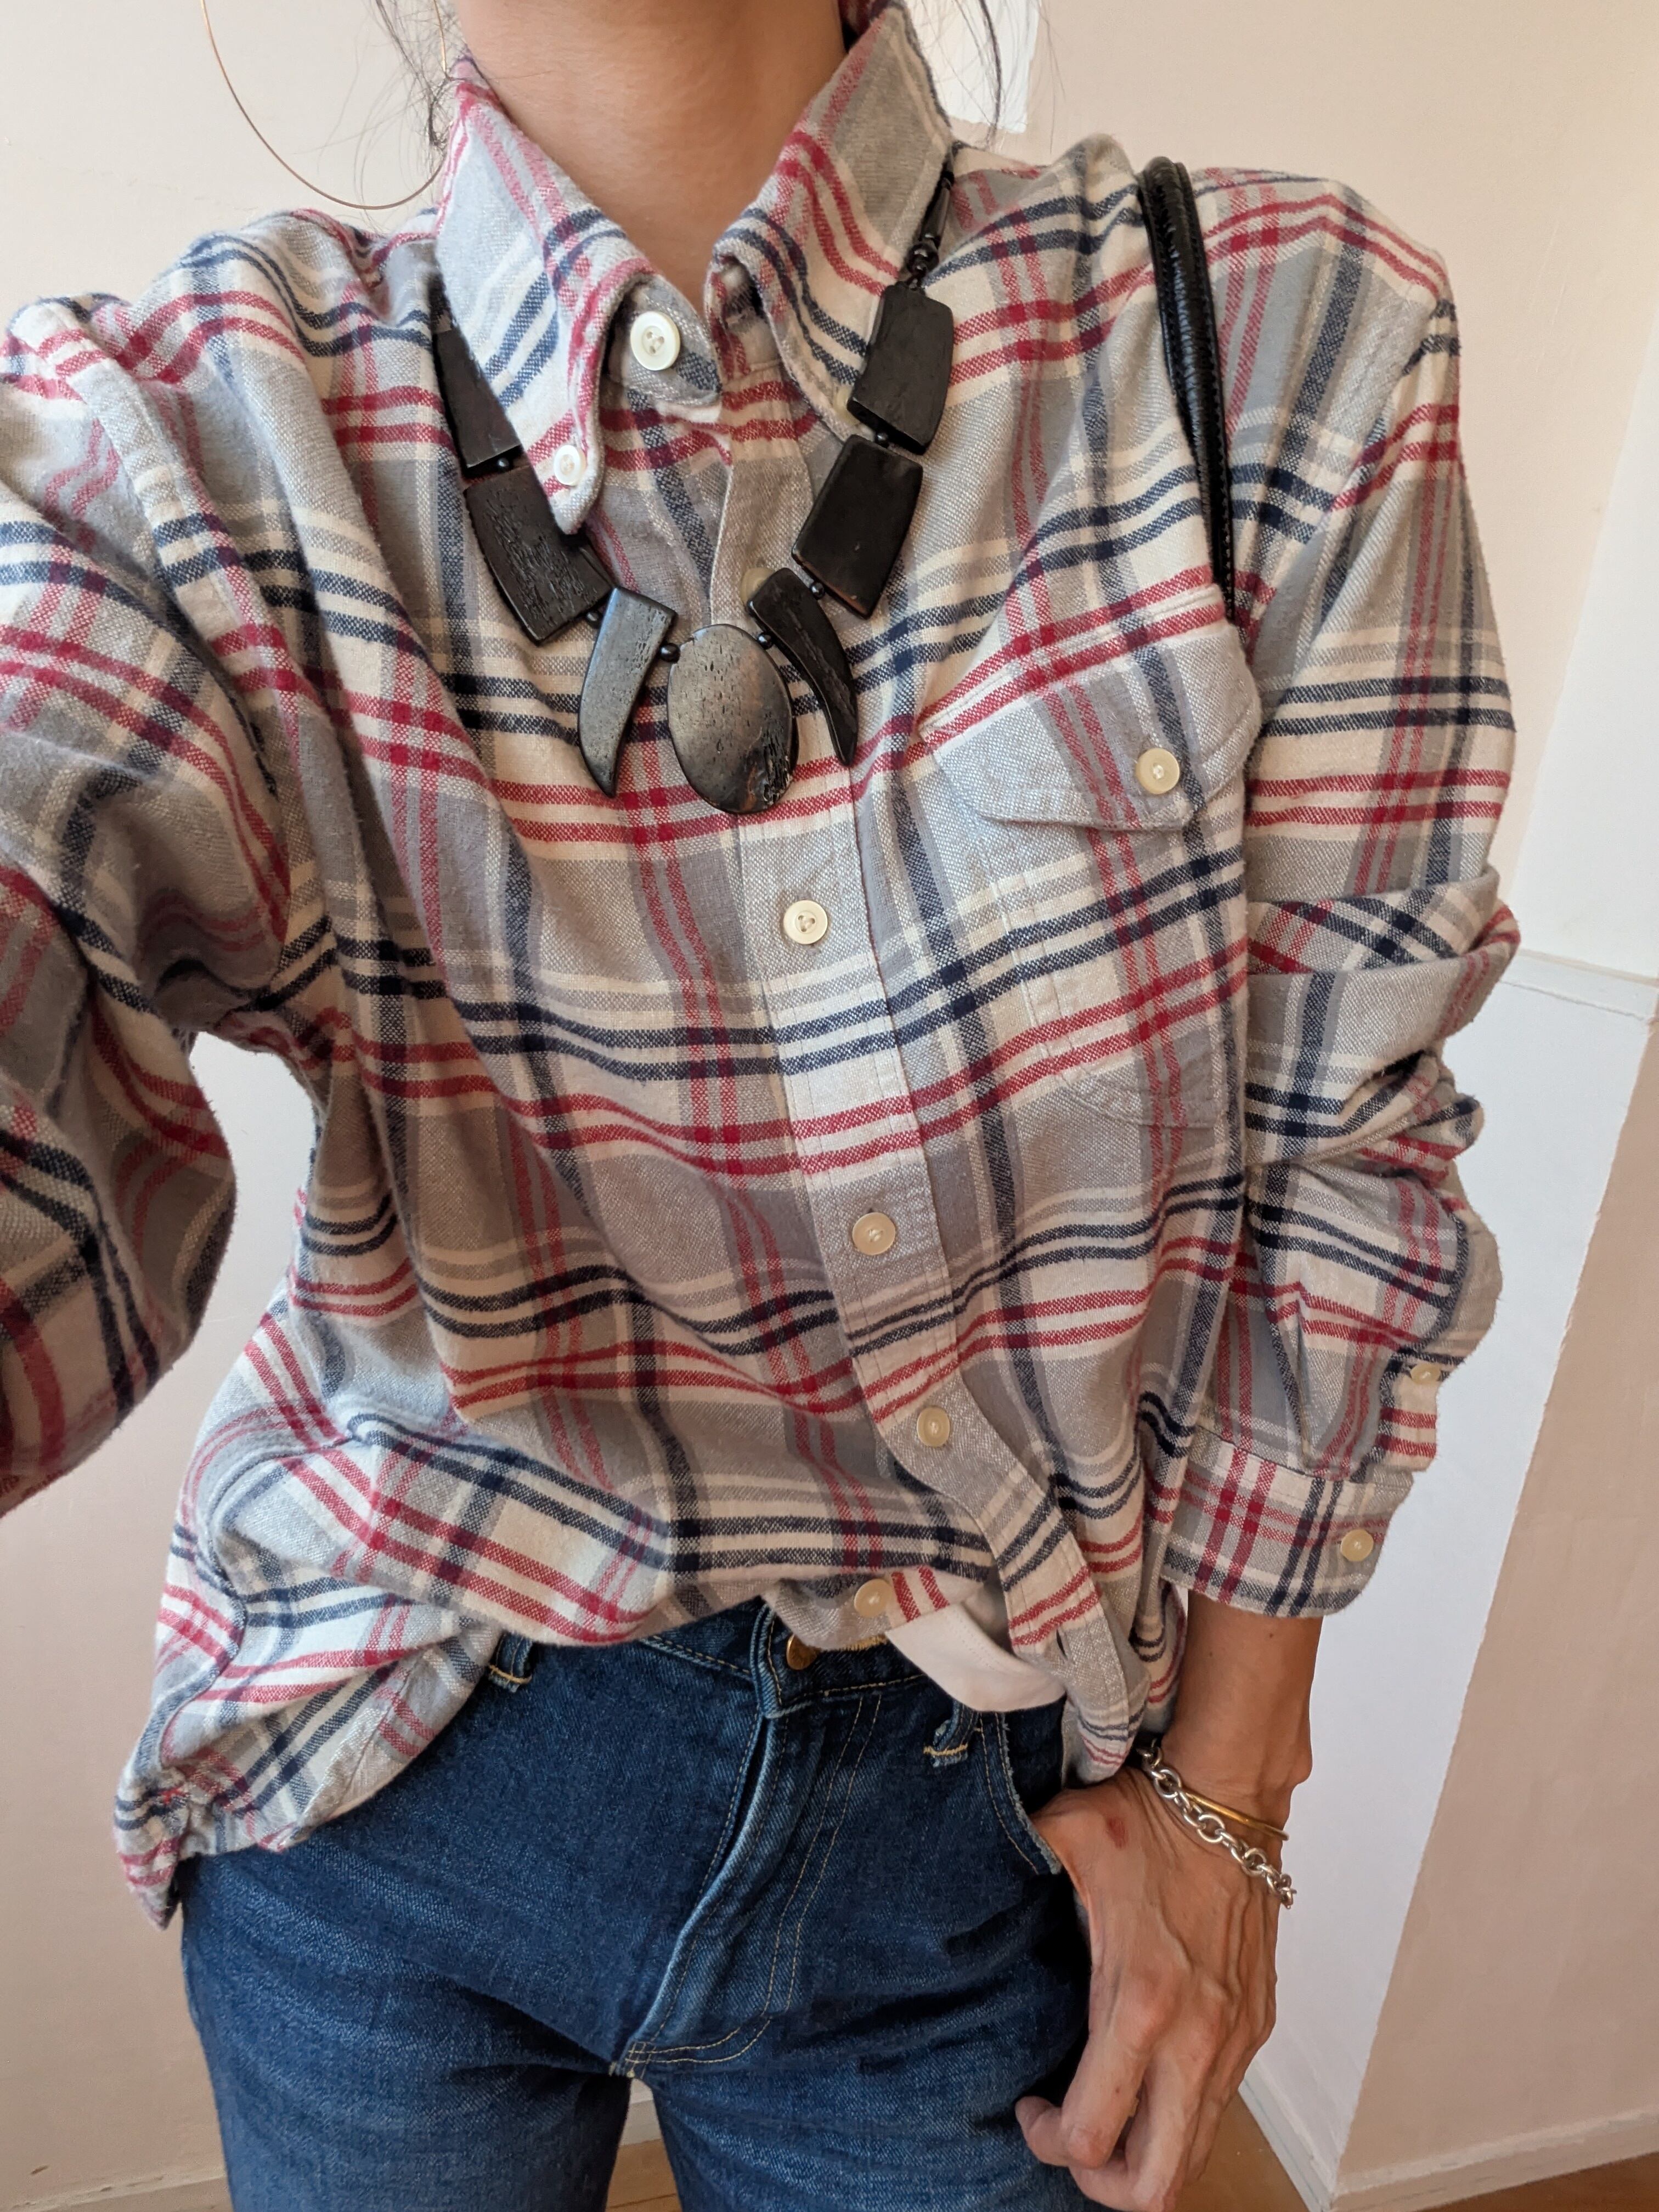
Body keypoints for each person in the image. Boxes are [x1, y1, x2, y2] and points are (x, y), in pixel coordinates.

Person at [0, 1, 1515, 2205]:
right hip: (395, 1755)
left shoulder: (1279, 346)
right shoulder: (181, 437)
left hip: (972, 1827)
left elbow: (1345, 1156)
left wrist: (1231, 1805)